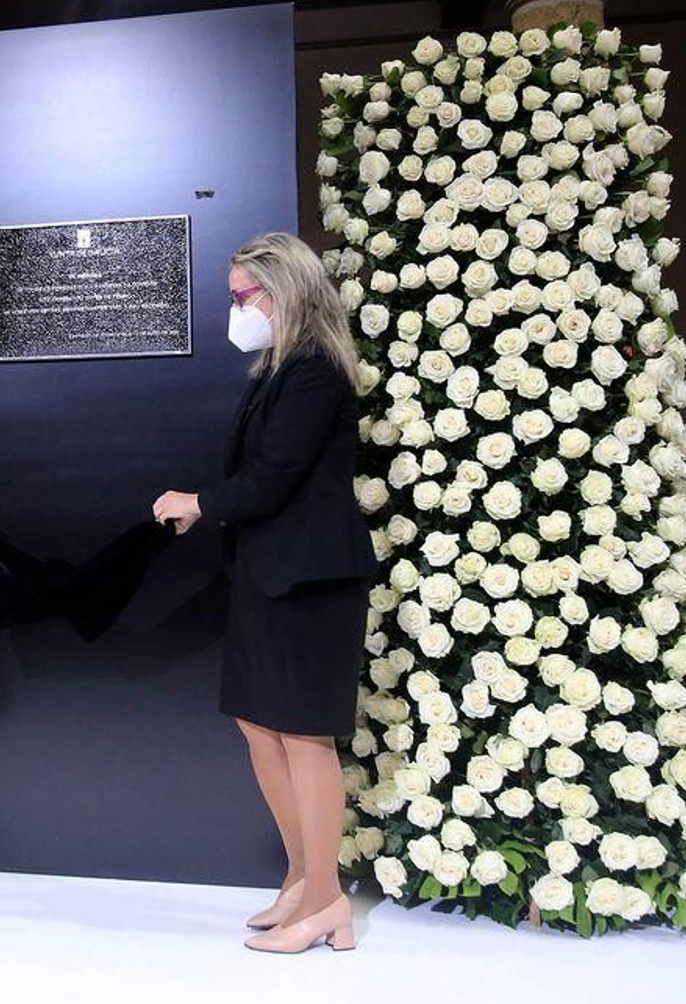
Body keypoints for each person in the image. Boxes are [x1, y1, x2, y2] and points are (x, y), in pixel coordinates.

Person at [153, 232, 377, 953]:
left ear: (284, 291)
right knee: (259, 723)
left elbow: (277, 473)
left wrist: (200, 501)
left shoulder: (314, 369)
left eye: (242, 296)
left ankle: (325, 899)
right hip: (266, 570)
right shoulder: (276, 369)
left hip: (309, 575)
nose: (236, 310)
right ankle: (302, 874)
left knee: (304, 734)